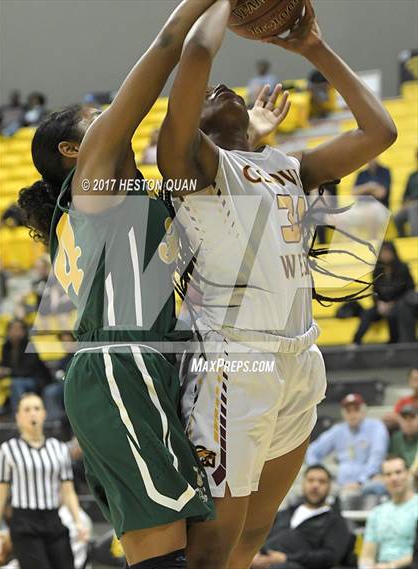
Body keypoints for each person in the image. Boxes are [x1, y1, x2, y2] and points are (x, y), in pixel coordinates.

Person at [157, 0, 397, 567]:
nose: (221, 87)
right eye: (210, 95)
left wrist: (313, 49)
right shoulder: (190, 167)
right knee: (214, 542)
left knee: (252, 536)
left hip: (300, 357)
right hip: (237, 365)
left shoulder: (284, 166)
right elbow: (195, 51)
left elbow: (379, 131)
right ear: (194, 129)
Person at [17, 3, 248, 568]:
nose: (110, 117)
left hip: (140, 363)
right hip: (119, 367)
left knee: (181, 552)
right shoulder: (93, 179)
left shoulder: (128, 194)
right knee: (163, 558)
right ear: (75, 150)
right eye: (96, 116)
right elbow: (167, 52)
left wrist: (247, 143)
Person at [0, 393, 89, 569]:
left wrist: (79, 522)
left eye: (37, 408)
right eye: (27, 409)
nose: (32, 413)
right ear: (17, 417)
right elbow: (0, 496)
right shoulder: (7, 450)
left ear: (44, 413)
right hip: (24, 523)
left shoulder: (59, 449)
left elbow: (68, 491)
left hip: (53, 519)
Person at [251, 464, 353, 569]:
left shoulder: (335, 521)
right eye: (310, 480)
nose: (315, 485)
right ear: (303, 484)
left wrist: (286, 558)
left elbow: (330, 557)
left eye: (322, 482)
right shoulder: (284, 514)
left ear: (329, 487)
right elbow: (259, 539)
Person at [306, 394, 389, 498]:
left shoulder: (376, 426)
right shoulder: (338, 430)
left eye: (356, 409)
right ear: (343, 414)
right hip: (340, 484)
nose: (352, 414)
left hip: (368, 481)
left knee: (376, 486)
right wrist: (320, 473)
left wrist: (360, 481)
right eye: (348, 411)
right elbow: (312, 451)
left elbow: (377, 456)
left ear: (363, 411)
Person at [358, 456, 418, 569]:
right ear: (383, 479)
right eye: (388, 474)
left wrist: (391, 566)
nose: (394, 478)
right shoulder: (377, 513)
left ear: (408, 474)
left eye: (398, 472)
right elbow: (367, 555)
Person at [353, 241, 415, 345]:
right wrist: (379, 304)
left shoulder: (403, 268)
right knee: (366, 314)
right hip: (382, 305)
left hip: (399, 304)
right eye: (383, 252)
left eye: (388, 252)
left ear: (393, 253)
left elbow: (410, 289)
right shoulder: (377, 271)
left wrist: (393, 303)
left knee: (394, 313)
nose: (385, 255)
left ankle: (393, 343)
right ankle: (355, 343)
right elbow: (374, 291)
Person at [0, 319, 52, 413]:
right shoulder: (6, 347)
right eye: (12, 329)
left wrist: (8, 372)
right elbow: (4, 364)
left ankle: (19, 414)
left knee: (16, 384)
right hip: (15, 378)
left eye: (18, 329)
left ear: (24, 331)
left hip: (35, 380)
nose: (15, 331)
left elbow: (28, 370)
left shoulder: (30, 346)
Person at [395, 149, 418, 237]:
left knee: (413, 208)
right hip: (411, 203)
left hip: (415, 204)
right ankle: (403, 238)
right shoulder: (412, 176)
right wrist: (404, 203)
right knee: (397, 217)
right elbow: (405, 194)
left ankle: (414, 238)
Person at [389, 404, 418, 468]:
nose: (408, 421)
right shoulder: (396, 438)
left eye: (412, 417)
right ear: (399, 420)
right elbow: (391, 460)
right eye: (404, 418)